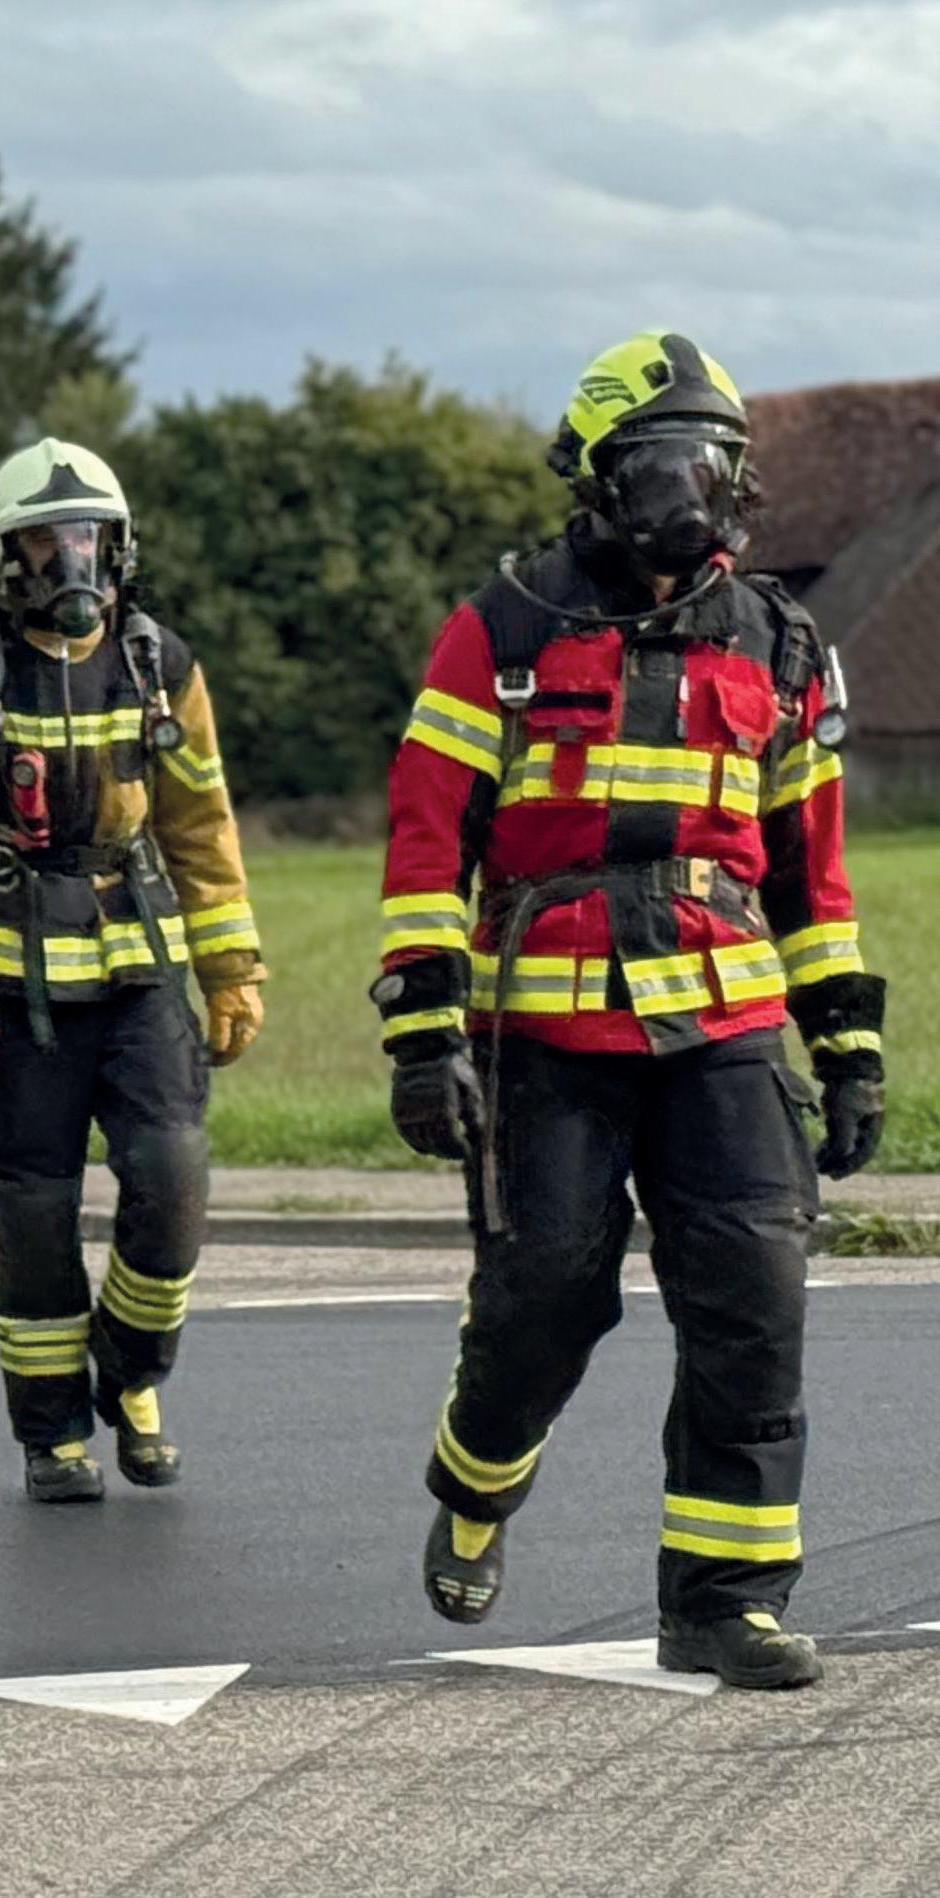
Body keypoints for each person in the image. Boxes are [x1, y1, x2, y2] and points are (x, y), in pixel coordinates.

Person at [382, 332, 878, 1688]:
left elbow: (810, 868)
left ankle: (724, 1601)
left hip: (724, 1022)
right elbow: (427, 842)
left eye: (714, 464)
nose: (692, 492)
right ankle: (476, 1478)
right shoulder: (502, 628)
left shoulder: (779, 638)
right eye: (665, 463)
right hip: (547, 1033)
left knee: (753, 1298)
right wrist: (421, 1035)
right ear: (595, 477)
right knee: (544, 1299)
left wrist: (846, 1041)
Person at [0, 438, 263, 1504]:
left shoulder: (159, 665)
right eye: (47, 539)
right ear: (11, 554)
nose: (70, 557)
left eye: (86, 535)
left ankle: (130, 1374)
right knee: (35, 1216)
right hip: (11, 992)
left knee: (172, 1179)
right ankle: (51, 1435)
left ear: (119, 543)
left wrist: (231, 965)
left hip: (140, 973)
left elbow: (200, 823)